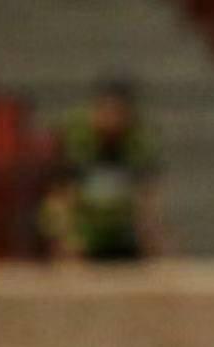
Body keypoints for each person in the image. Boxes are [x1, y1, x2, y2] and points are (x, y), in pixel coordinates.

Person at [38, 80, 164, 263]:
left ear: (129, 115)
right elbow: (59, 199)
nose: (111, 120)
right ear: (95, 110)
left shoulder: (137, 143)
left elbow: (147, 200)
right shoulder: (76, 139)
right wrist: (66, 242)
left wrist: (155, 243)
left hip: (122, 236)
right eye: (106, 111)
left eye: (118, 113)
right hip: (83, 237)